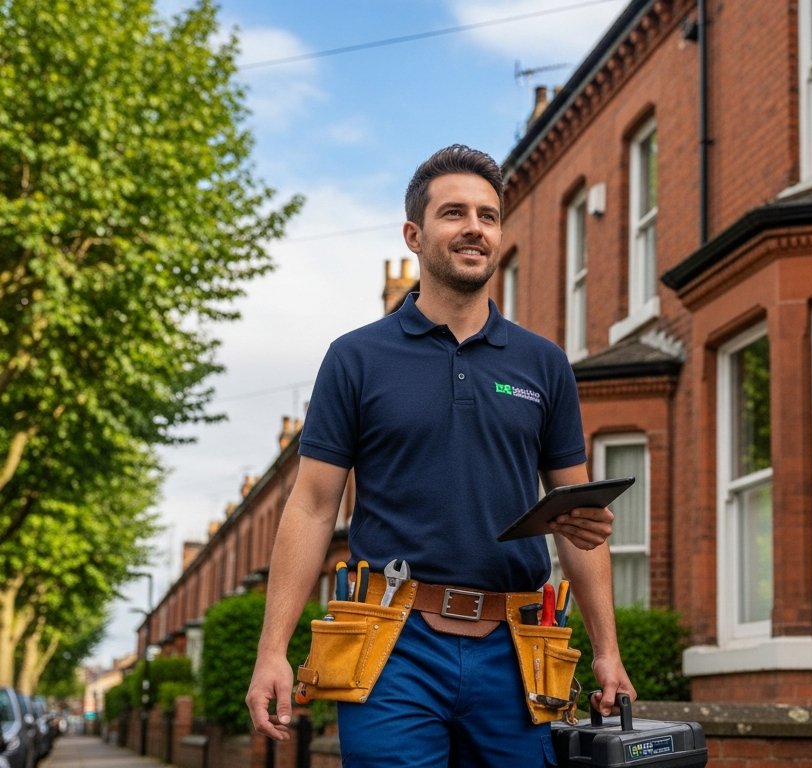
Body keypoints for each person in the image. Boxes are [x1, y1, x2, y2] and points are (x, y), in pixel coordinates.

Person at [246, 144, 635, 766]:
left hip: (518, 649)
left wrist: (608, 652)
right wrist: (272, 650)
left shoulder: (544, 364)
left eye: (488, 214)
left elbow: (578, 525)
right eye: (453, 213)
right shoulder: (357, 358)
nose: (474, 227)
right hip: (391, 646)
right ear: (414, 234)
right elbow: (314, 507)